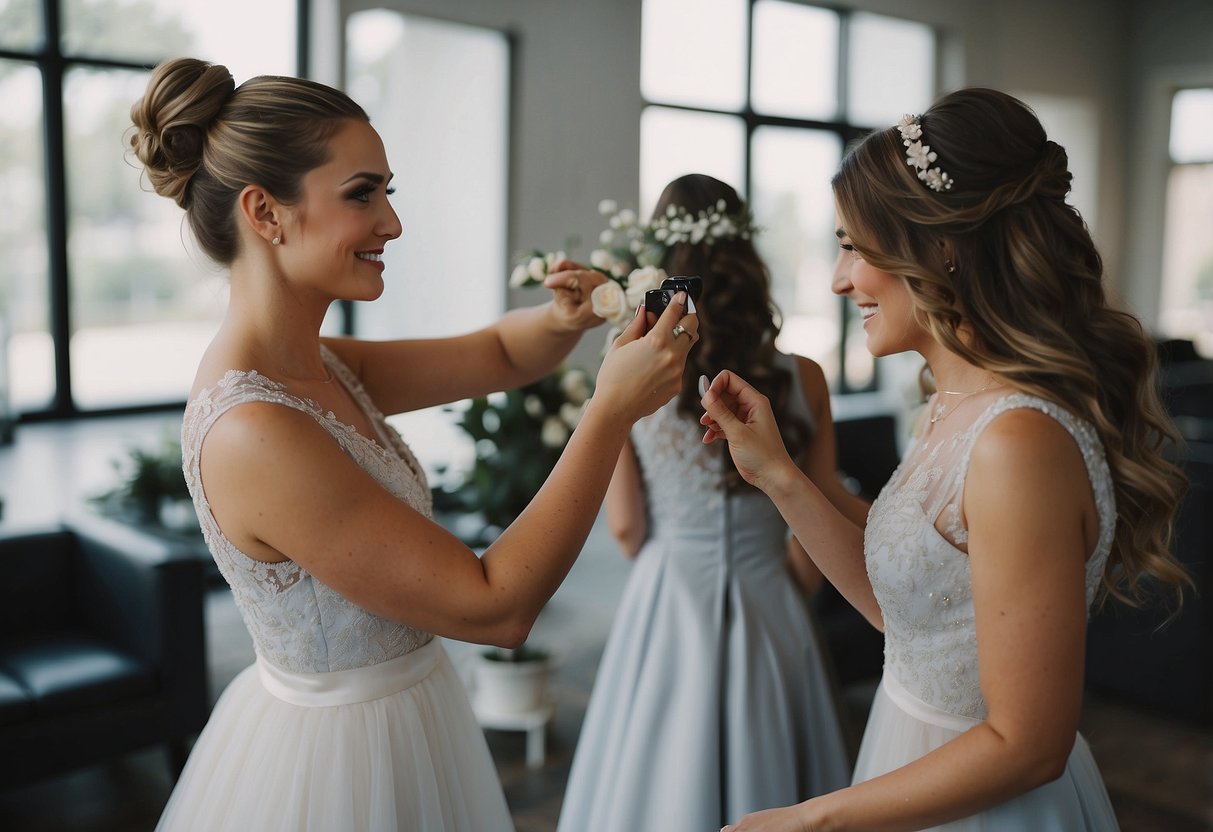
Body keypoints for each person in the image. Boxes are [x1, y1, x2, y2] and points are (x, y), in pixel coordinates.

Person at [128, 58, 698, 832]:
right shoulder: (254, 430)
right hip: (334, 770)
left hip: (412, 714)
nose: (391, 223)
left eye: (387, 193)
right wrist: (607, 416)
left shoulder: (317, 366)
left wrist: (567, 319)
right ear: (265, 213)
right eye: (363, 194)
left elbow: (497, 355)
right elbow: (495, 606)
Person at [701, 88, 1192, 831]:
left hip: (988, 804)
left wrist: (809, 820)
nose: (838, 281)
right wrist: (777, 474)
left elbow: (1028, 744)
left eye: (852, 247)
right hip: (909, 753)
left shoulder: (1015, 444)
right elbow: (906, 623)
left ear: (939, 247)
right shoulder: (946, 407)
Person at [557, 174, 870, 832]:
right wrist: (782, 591)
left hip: (668, 600)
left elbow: (625, 528)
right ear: (745, 259)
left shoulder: (630, 377)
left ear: (660, 262)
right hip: (772, 599)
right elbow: (816, 528)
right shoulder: (803, 378)